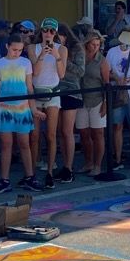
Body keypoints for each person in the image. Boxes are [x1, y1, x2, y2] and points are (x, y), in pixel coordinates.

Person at [0, 35, 43, 194]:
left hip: (22, 109)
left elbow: (29, 88)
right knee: (6, 145)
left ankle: (30, 177)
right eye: (14, 49)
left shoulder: (25, 62)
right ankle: (4, 180)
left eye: (20, 50)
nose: (17, 53)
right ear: (7, 46)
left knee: (24, 144)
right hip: (4, 109)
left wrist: (34, 109)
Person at [28, 18, 67, 189]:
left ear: (55, 33)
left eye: (52, 31)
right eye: (45, 30)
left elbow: (62, 74)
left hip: (53, 93)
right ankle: (32, 173)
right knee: (34, 136)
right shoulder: (32, 48)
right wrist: (43, 55)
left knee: (51, 135)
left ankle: (50, 172)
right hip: (37, 93)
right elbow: (35, 72)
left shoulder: (62, 49)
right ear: (41, 31)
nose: (48, 34)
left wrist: (56, 55)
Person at [102, 27, 130, 166]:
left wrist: (127, 80)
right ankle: (117, 157)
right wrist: (116, 78)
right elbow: (106, 71)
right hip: (117, 93)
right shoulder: (112, 52)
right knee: (117, 126)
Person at [52, 25, 85, 182]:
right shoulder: (51, 47)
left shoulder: (77, 48)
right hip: (55, 91)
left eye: (59, 36)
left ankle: (69, 168)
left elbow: (80, 71)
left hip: (71, 91)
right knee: (59, 132)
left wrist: (63, 59)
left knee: (67, 131)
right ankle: (64, 165)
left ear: (66, 35)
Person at [75, 31, 107, 176]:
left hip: (97, 100)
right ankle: (88, 162)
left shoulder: (102, 60)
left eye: (98, 45)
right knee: (83, 133)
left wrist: (105, 102)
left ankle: (97, 165)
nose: (95, 47)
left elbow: (106, 83)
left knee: (98, 133)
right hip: (81, 100)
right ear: (87, 44)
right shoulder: (79, 57)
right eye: (93, 44)